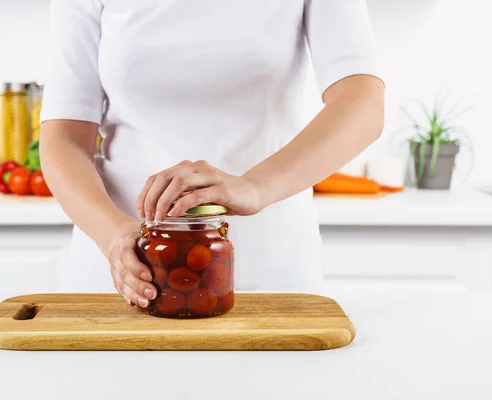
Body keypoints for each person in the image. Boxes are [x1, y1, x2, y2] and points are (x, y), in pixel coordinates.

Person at [39, 0, 385, 307]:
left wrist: (254, 187)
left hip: (269, 269)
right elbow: (64, 139)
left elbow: (363, 102)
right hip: (124, 266)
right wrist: (112, 234)